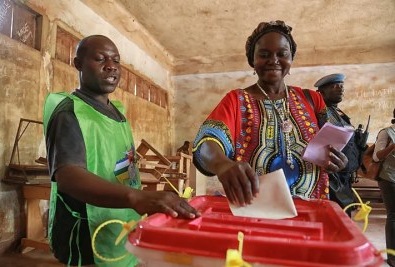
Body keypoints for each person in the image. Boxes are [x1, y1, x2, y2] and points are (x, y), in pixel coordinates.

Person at [43, 35, 200, 267]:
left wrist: (147, 202)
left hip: (122, 222)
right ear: (78, 64)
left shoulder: (117, 111)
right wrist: (136, 197)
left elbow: (123, 164)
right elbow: (68, 177)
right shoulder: (70, 112)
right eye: (100, 59)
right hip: (87, 234)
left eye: (116, 61)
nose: (111, 66)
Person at [192, 20, 348, 206]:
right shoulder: (236, 100)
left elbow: (335, 143)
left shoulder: (313, 99)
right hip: (255, 209)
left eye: (282, 54)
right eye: (264, 54)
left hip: (311, 209)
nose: (273, 60)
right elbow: (207, 142)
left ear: (291, 59)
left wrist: (339, 162)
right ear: (253, 60)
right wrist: (222, 164)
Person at [315, 74, 366, 214]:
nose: (340, 88)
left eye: (342, 86)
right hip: (331, 178)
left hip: (345, 176)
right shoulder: (320, 112)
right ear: (322, 92)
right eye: (334, 86)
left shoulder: (339, 114)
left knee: (344, 215)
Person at [373, 108, 395, 266]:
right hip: (389, 178)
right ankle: (392, 256)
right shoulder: (387, 132)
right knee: (393, 215)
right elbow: (376, 156)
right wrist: (392, 147)